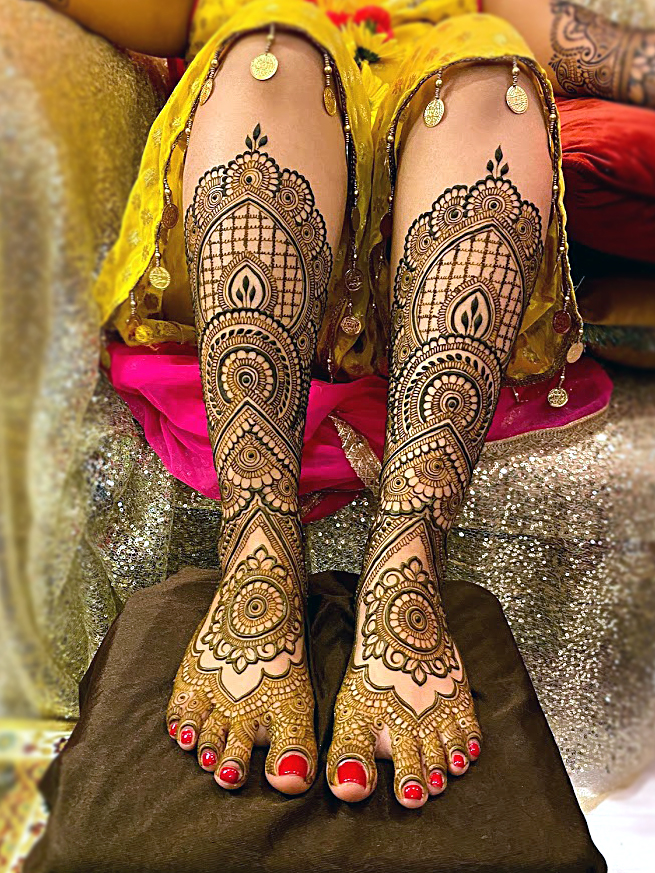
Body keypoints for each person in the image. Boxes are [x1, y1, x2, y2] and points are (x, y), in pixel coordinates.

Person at [37, 0, 653, 809]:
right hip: (268, 175)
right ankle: (257, 553)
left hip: (418, 268)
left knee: (490, 79)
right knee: (274, 52)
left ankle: (407, 569)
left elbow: (553, 31)